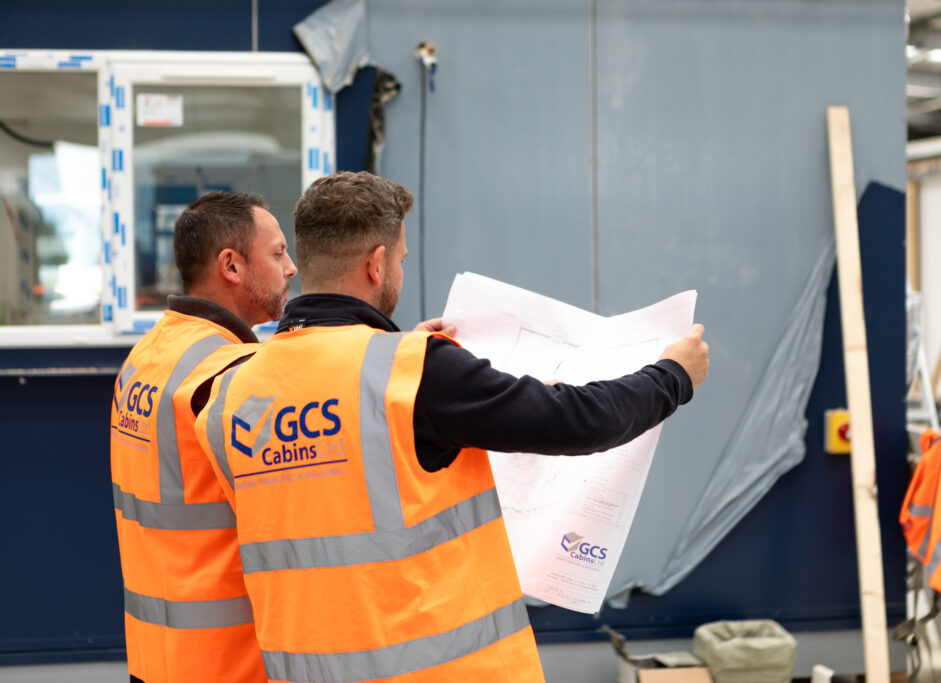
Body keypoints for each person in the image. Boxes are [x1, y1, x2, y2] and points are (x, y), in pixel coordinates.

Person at [195, 171, 709, 683]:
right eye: (398, 259)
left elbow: (327, 486)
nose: (398, 268)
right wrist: (673, 376)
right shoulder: (415, 373)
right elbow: (575, 420)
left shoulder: (228, 396)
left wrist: (406, 361)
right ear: (376, 264)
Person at [110, 191, 296, 683]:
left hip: (158, 653)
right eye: (278, 253)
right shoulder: (228, 373)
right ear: (231, 266)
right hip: (227, 662)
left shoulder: (149, 355)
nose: (292, 267)